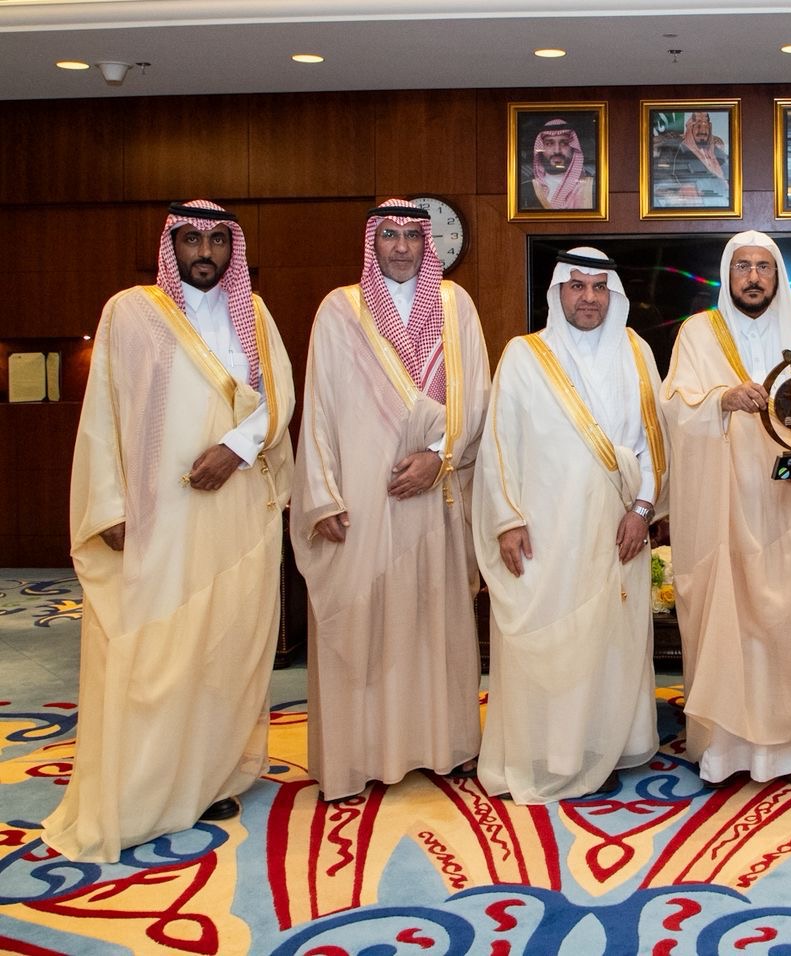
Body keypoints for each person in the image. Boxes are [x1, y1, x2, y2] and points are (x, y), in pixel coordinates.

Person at [44, 200, 294, 861]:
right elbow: (102, 412)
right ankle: (144, 788)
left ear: (232, 249)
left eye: (217, 240)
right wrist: (109, 506)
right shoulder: (131, 312)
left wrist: (235, 450)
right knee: (156, 648)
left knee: (225, 644)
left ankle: (212, 776)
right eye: (191, 239)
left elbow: (279, 399)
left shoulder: (254, 315)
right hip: (160, 515)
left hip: (236, 506)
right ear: (170, 245)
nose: (205, 252)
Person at [291, 200, 490, 801]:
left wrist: (439, 457)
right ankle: (359, 756)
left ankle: (443, 745)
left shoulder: (455, 304)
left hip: (435, 494)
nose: (401, 246)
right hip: (363, 496)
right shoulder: (339, 309)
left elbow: (475, 397)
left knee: (435, 618)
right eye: (389, 236)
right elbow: (319, 406)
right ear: (372, 243)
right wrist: (322, 497)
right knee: (363, 620)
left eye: (411, 235)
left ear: (426, 244)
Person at [474, 248, 666, 802]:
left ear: (613, 295)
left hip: (618, 527)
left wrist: (643, 510)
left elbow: (656, 443)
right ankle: (555, 753)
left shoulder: (636, 352)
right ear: (558, 292)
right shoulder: (525, 354)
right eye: (577, 286)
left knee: (611, 640)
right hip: (546, 529)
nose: (588, 297)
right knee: (555, 635)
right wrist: (506, 520)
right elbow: (499, 443)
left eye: (599, 287)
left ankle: (609, 744)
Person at [662, 231, 791, 788]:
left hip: (788, 505)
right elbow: (673, 406)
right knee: (725, 622)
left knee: (790, 620)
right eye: (743, 267)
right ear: (727, 275)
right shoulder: (697, 332)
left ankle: (790, 749)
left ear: (777, 276)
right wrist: (721, 399)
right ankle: (722, 750)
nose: (753, 277)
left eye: (763, 266)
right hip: (722, 506)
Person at [520, 117, 595, 211]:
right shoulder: (526, 189)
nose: (557, 151)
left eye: (564, 143)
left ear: (573, 148)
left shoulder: (592, 187)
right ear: (541, 149)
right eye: (549, 143)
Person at [662, 110, 730, 206]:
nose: (703, 131)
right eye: (698, 126)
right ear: (690, 128)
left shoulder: (718, 152)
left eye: (706, 126)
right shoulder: (679, 153)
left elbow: (732, 174)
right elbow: (671, 180)